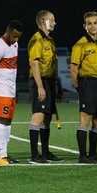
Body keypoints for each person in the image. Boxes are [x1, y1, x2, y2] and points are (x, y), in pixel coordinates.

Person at [70, 11, 97, 164]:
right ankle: (82, 156)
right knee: (85, 119)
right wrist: (79, 88)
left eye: (95, 22)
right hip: (87, 83)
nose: (93, 26)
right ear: (84, 26)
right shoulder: (80, 45)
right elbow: (74, 69)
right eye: (89, 23)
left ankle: (93, 154)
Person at [0, 20, 24, 165]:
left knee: (7, 121)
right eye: (14, 36)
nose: (16, 39)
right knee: (1, 119)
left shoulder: (15, 44)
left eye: (18, 37)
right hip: (0, 87)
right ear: (8, 32)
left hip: (10, 89)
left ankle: (5, 154)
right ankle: (0, 156)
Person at [27, 10, 62, 164]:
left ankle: (46, 153)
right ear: (43, 21)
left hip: (49, 82)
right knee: (38, 116)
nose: (54, 22)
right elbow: (34, 63)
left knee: (47, 117)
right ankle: (35, 155)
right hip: (39, 82)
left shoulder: (49, 40)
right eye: (51, 20)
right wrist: (40, 86)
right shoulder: (36, 40)